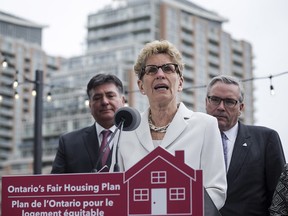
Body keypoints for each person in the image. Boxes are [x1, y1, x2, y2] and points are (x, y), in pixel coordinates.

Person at [111, 40, 227, 210]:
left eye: (168, 68)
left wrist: (177, 210)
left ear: (180, 82)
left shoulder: (206, 125)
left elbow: (216, 190)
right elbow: (117, 191)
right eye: (151, 70)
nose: (160, 74)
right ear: (141, 85)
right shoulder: (124, 132)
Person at [205, 75, 286, 215]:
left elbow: (280, 199)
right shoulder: (192, 140)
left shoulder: (266, 139)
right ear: (206, 102)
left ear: (240, 107)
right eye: (215, 100)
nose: (221, 107)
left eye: (229, 102)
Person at [51, 73, 126, 173]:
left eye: (110, 96)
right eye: (97, 98)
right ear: (90, 104)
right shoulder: (68, 142)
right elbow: (55, 184)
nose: (104, 102)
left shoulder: (137, 137)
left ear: (123, 101)